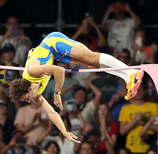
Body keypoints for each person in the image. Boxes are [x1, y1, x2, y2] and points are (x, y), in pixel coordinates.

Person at [8, 31, 143, 105]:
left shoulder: (32, 71)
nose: (29, 100)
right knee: (92, 64)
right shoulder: (36, 90)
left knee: (91, 57)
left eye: (26, 98)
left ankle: (131, 72)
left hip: (53, 43)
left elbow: (59, 70)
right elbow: (45, 108)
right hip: (54, 54)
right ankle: (127, 78)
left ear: (27, 88)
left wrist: (57, 94)